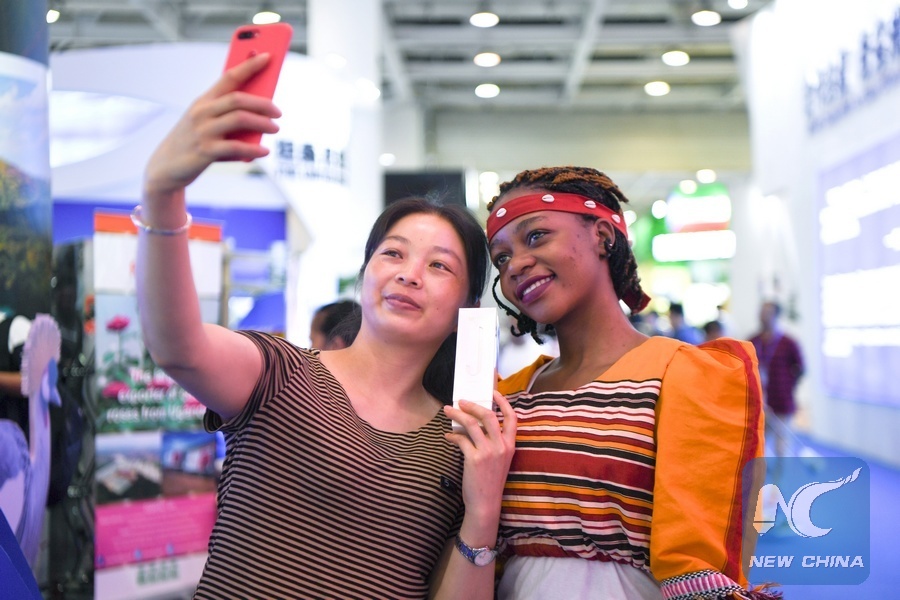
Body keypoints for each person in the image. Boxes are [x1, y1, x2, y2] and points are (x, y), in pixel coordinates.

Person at [135, 54, 516, 599]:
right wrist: (162, 194)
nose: (409, 274)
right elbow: (178, 346)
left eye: (439, 266)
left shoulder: (461, 440)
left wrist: (482, 512)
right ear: (365, 275)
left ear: (467, 306)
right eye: (393, 253)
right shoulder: (281, 371)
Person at [486, 166, 773, 600]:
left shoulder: (684, 374)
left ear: (602, 235)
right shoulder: (510, 397)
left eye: (537, 236)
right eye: (501, 258)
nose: (516, 265)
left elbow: (702, 564)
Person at [750, 301, 804, 458]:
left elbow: (800, 368)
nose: (763, 316)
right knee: (757, 447)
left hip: (782, 401)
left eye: (768, 313)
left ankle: (781, 475)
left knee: (782, 448)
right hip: (759, 403)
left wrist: (789, 386)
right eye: (762, 312)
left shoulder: (789, 343)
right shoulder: (753, 341)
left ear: (776, 316)